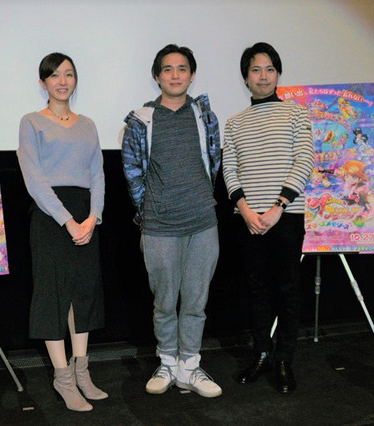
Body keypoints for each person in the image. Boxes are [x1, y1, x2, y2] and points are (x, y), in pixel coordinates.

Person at [121, 44, 222, 398]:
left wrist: (201, 199)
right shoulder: (140, 120)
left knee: (195, 301)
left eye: (182, 69)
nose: (175, 75)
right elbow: (132, 173)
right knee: (164, 302)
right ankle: (166, 362)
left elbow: (213, 163)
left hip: (202, 222)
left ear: (192, 75)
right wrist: (149, 211)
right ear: (157, 76)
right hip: (159, 226)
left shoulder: (205, 116)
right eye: (167, 69)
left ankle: (189, 368)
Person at [17, 52, 107, 412]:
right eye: (54, 75)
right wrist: (67, 220)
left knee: (83, 294)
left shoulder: (88, 124)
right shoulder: (31, 122)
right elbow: (34, 179)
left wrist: (93, 217)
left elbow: (98, 173)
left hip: (85, 215)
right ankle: (63, 379)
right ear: (43, 83)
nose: (62, 81)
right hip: (50, 217)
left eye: (68, 74)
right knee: (53, 295)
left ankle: (82, 372)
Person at [222, 42, 314, 394]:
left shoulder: (296, 114)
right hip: (247, 219)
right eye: (256, 70)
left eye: (270, 69)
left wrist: (278, 207)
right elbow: (229, 169)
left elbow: (304, 160)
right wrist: (246, 210)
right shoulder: (234, 122)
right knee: (255, 288)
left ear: (278, 74)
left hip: (285, 217)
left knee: (288, 289)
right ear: (245, 77)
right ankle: (261, 353)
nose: (263, 76)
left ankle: (284, 359)